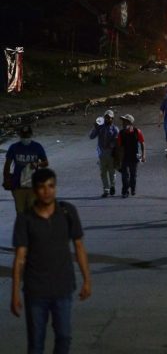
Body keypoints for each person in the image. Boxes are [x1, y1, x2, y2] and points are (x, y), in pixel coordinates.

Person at [11, 168, 92, 354]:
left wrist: (87, 280)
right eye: (41, 187)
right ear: (34, 190)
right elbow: (20, 258)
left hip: (62, 288)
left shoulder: (67, 212)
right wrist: (15, 293)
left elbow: (79, 247)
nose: (47, 191)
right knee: (36, 342)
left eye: (51, 186)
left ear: (55, 188)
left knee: (64, 337)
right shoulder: (25, 220)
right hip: (36, 291)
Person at [3, 125, 49, 214]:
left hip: (33, 185)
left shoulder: (37, 147)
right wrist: (6, 179)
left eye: (27, 136)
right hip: (17, 185)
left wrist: (37, 164)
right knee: (20, 212)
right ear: (20, 135)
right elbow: (7, 165)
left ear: (31, 135)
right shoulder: (14, 147)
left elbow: (45, 163)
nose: (25, 138)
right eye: (23, 136)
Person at [89, 110, 119, 198]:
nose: (107, 119)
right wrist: (95, 127)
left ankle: (112, 186)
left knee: (111, 172)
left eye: (109, 117)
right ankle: (106, 190)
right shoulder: (100, 127)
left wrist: (111, 145)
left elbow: (117, 141)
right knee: (103, 172)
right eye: (106, 117)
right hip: (101, 153)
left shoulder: (115, 129)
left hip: (111, 153)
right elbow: (91, 136)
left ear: (112, 118)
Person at [117, 114, 145, 198]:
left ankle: (133, 188)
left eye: (125, 121)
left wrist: (143, 155)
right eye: (123, 121)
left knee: (133, 175)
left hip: (134, 156)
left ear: (130, 123)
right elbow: (120, 147)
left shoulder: (137, 131)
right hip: (125, 156)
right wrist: (119, 160)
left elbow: (142, 143)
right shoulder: (121, 133)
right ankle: (125, 191)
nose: (123, 123)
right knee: (125, 175)